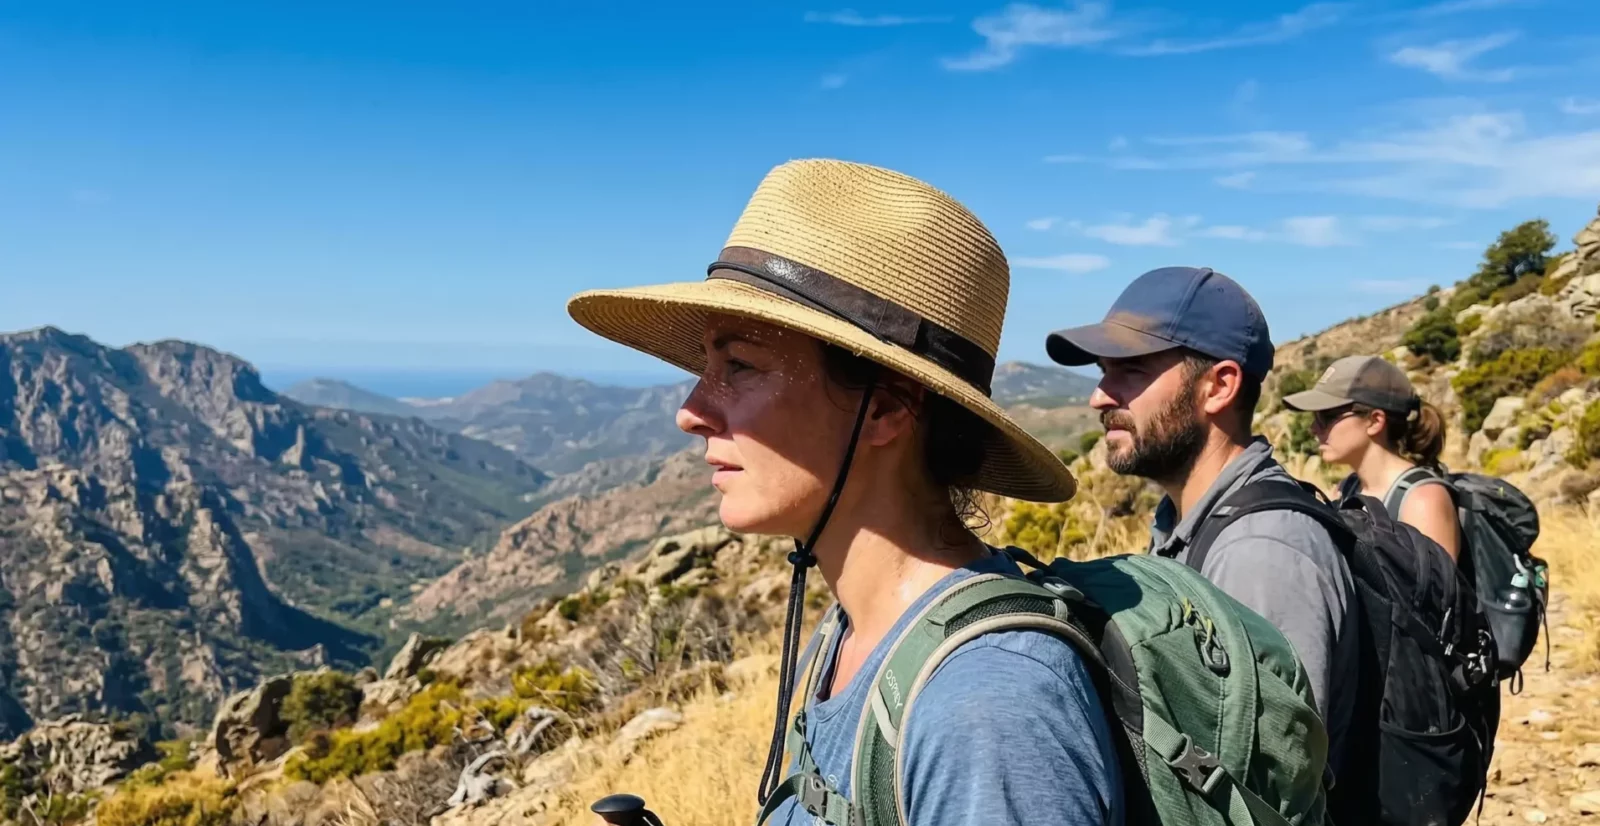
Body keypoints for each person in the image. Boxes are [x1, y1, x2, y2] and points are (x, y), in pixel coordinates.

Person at [567, 159, 1121, 825]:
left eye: (738, 366)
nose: (691, 410)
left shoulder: (988, 707)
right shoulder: (854, 631)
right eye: (706, 366)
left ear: (887, 408)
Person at [1043, 266, 1359, 775]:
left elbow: (1269, 791)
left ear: (1218, 387)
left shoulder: (1261, 551)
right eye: (1103, 372)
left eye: (1130, 371)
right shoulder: (1187, 522)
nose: (1098, 396)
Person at [1282, 355, 1461, 561]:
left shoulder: (1422, 501)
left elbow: (1439, 591)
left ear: (1375, 421)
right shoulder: (1347, 489)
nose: (1314, 428)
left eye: (1327, 416)